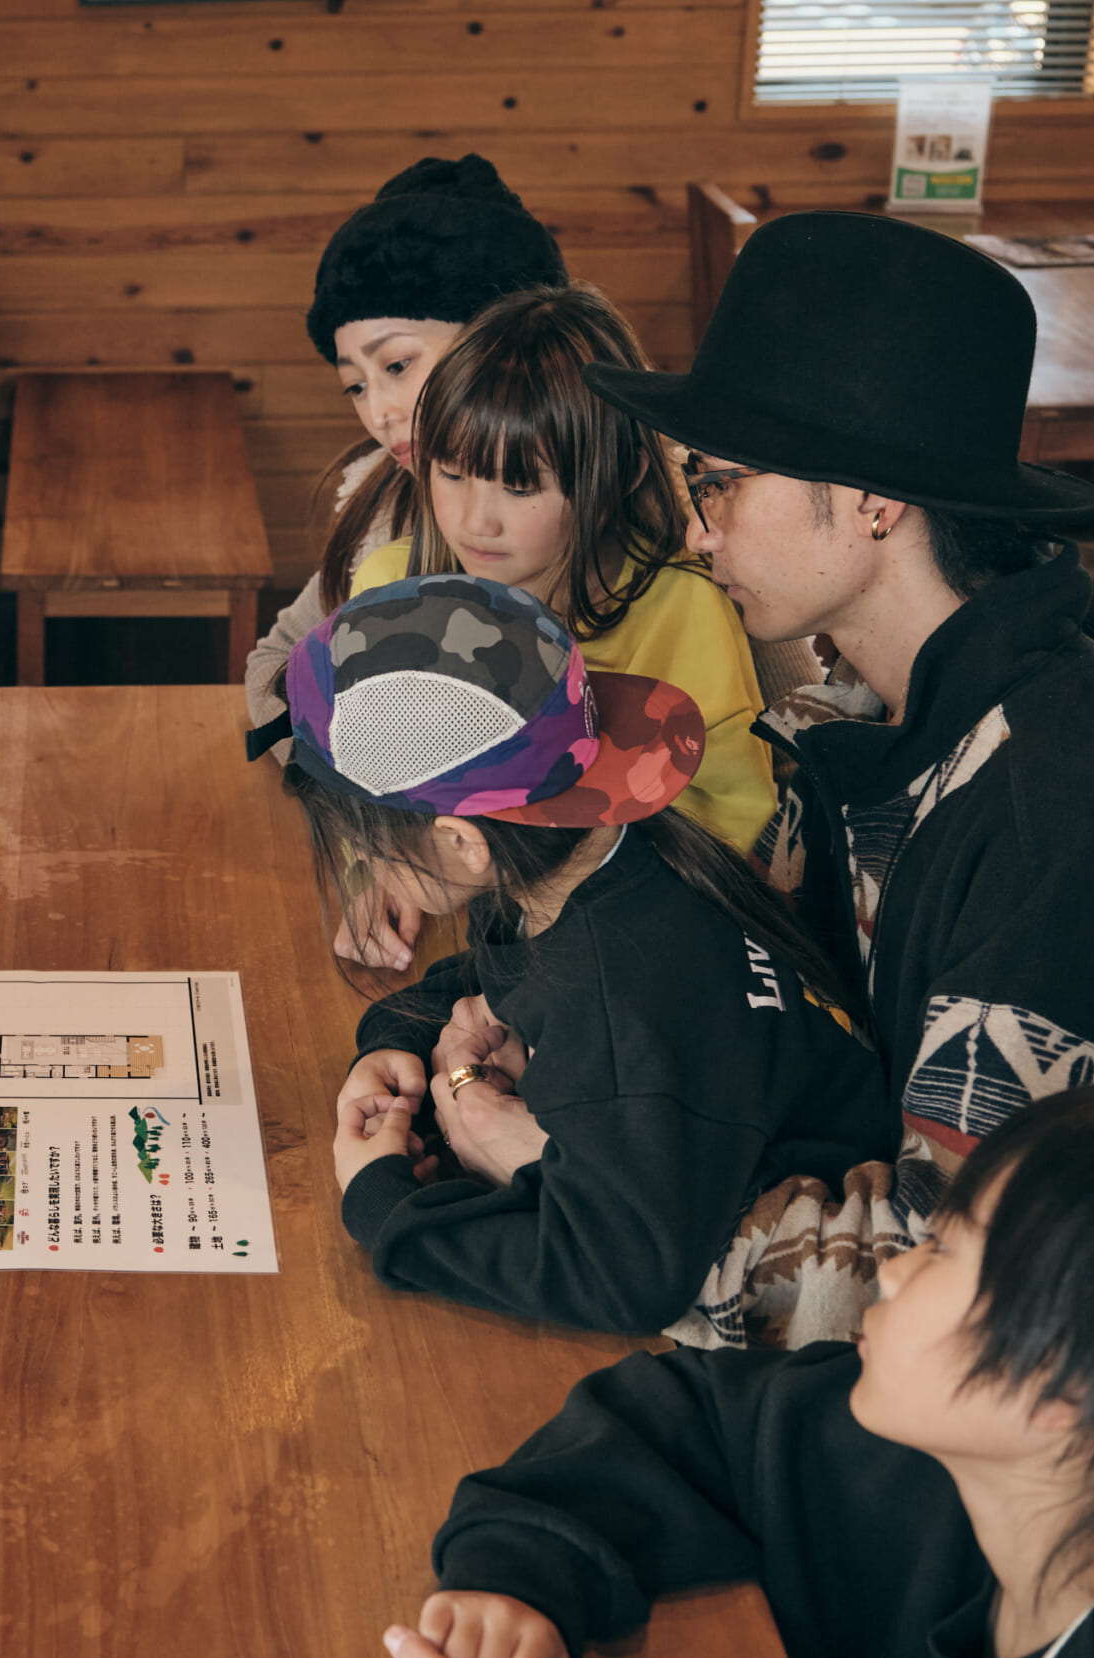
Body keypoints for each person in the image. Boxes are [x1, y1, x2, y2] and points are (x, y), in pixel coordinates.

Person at [581, 211, 1094, 1256]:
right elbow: (740, 964)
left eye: (719, 481)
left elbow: (955, 1286)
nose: (695, 527)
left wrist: (593, 1192)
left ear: (870, 500)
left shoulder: (1055, 826)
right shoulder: (870, 710)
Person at [398, 1079, 1094, 1658]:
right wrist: (520, 1580)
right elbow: (693, 1411)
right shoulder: (969, 1460)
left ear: (1062, 1384)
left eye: (945, 1251)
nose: (892, 1269)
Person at [269, 574, 894, 1340]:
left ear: (462, 842)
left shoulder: (617, 996)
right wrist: (395, 1039)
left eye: (368, 853)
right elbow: (494, 977)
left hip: (793, 1307)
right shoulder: (600, 863)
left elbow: (621, 1273)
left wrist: (385, 1204)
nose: (367, 870)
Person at [336, 282, 779, 861]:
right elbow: (363, 783)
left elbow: (733, 824)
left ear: (619, 476)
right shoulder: (388, 589)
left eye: (520, 487)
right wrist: (375, 871)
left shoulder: (686, 610)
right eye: (450, 474)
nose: (475, 522)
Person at [245, 153, 568, 759]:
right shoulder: (382, 509)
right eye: (355, 385)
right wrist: (354, 776)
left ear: (506, 340)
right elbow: (277, 658)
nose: (379, 413)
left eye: (397, 365)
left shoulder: (665, 505)